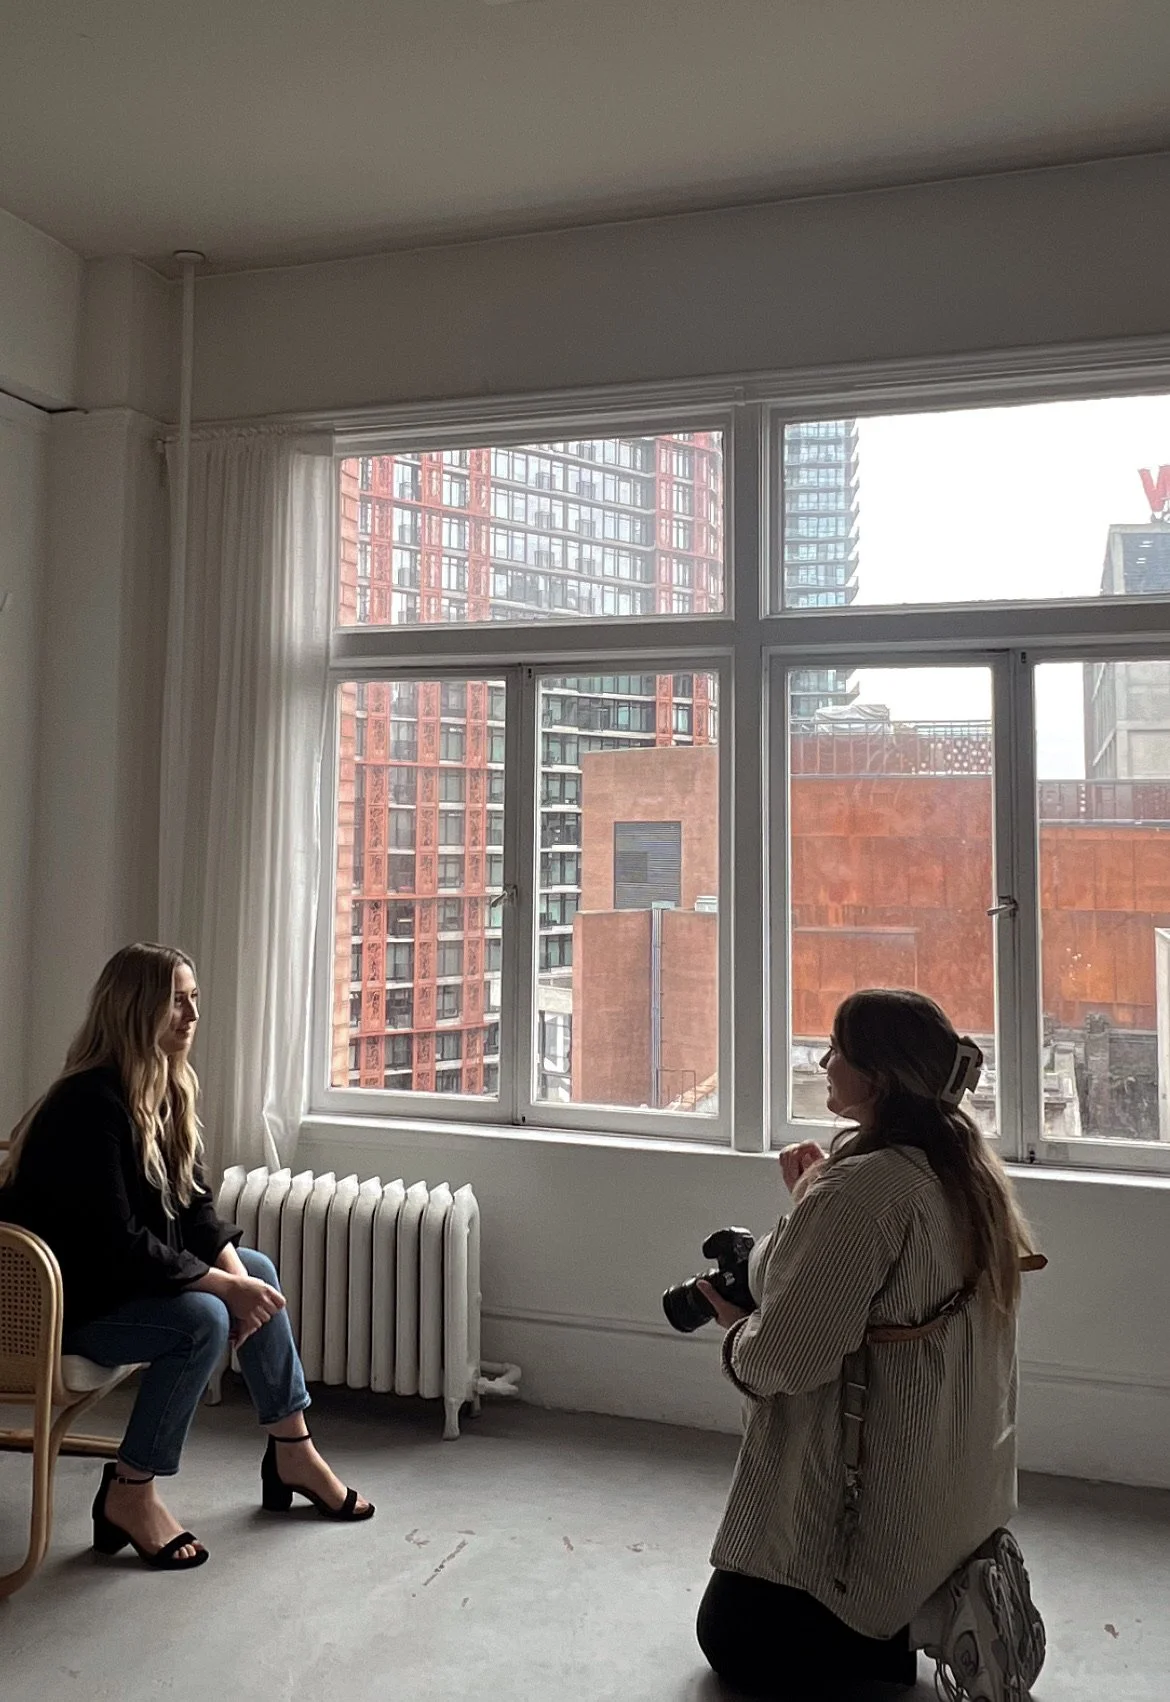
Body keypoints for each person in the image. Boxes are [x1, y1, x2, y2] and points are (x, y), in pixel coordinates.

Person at [694, 988, 1040, 1699]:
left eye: (836, 1051)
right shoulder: (963, 1172)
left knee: (728, 1635)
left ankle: (886, 1635)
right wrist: (813, 1204)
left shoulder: (858, 1194)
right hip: (949, 1509)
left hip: (873, 1516)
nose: (823, 1061)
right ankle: (926, 1608)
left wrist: (735, 1335)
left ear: (877, 1077)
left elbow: (783, 1362)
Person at [0, 943, 373, 1572]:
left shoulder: (165, 1090)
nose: (191, 1013)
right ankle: (131, 1491)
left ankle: (292, 1447)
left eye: (193, 997)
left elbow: (196, 1210)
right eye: (176, 999)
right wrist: (224, 1294)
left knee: (257, 1271)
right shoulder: (88, 1106)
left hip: (109, 1287)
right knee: (204, 1319)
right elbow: (115, 1245)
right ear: (135, 1008)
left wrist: (234, 1274)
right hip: (58, 1308)